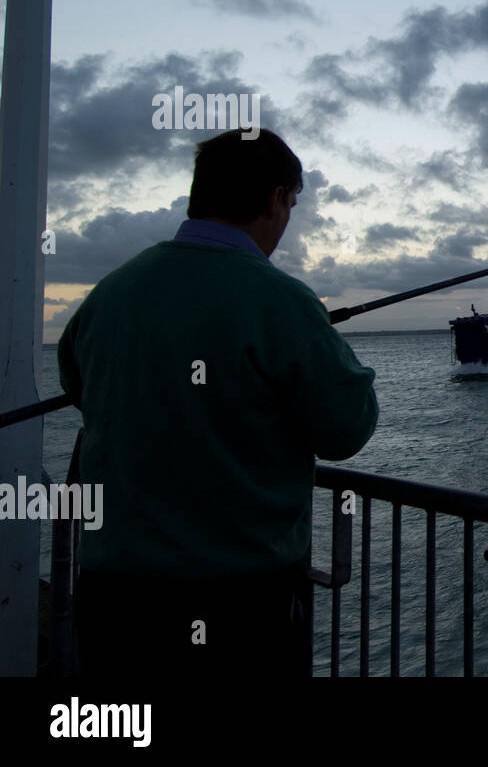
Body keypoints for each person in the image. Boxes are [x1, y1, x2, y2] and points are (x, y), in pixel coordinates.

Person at [57, 127, 379, 677]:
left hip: (112, 593)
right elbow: (346, 429)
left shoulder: (111, 291)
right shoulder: (281, 300)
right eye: (293, 203)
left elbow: (78, 387)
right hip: (239, 599)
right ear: (277, 197)